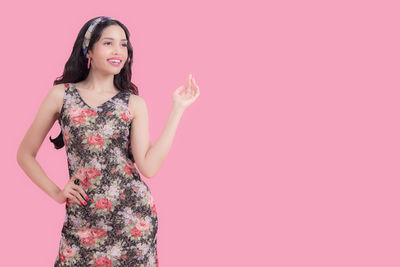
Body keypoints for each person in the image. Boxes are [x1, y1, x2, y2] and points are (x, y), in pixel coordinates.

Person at [16, 16, 200, 266]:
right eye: (109, 43)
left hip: (133, 222)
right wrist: (57, 193)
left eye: (123, 45)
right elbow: (25, 154)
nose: (118, 51)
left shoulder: (133, 103)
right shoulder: (62, 95)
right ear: (88, 49)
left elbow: (149, 167)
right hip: (81, 222)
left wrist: (177, 109)